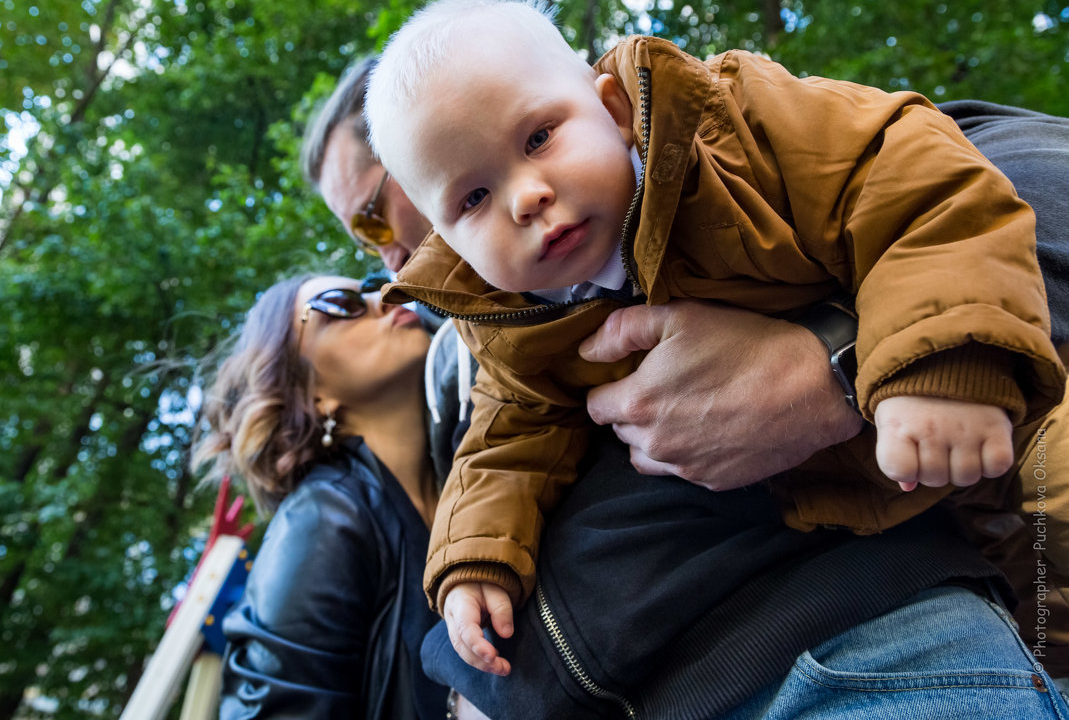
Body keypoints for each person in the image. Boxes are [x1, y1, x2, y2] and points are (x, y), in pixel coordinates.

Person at [298, 53, 1069, 717]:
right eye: (360, 237)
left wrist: (832, 359)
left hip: (867, 630)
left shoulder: (721, 137)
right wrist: (471, 575)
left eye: (374, 209)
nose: (386, 257)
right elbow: (508, 447)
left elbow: (985, 180)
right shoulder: (486, 346)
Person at [191, 274, 450, 720]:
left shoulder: (474, 483)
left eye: (374, 284)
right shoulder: (322, 518)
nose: (383, 297)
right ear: (308, 393)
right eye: (340, 304)